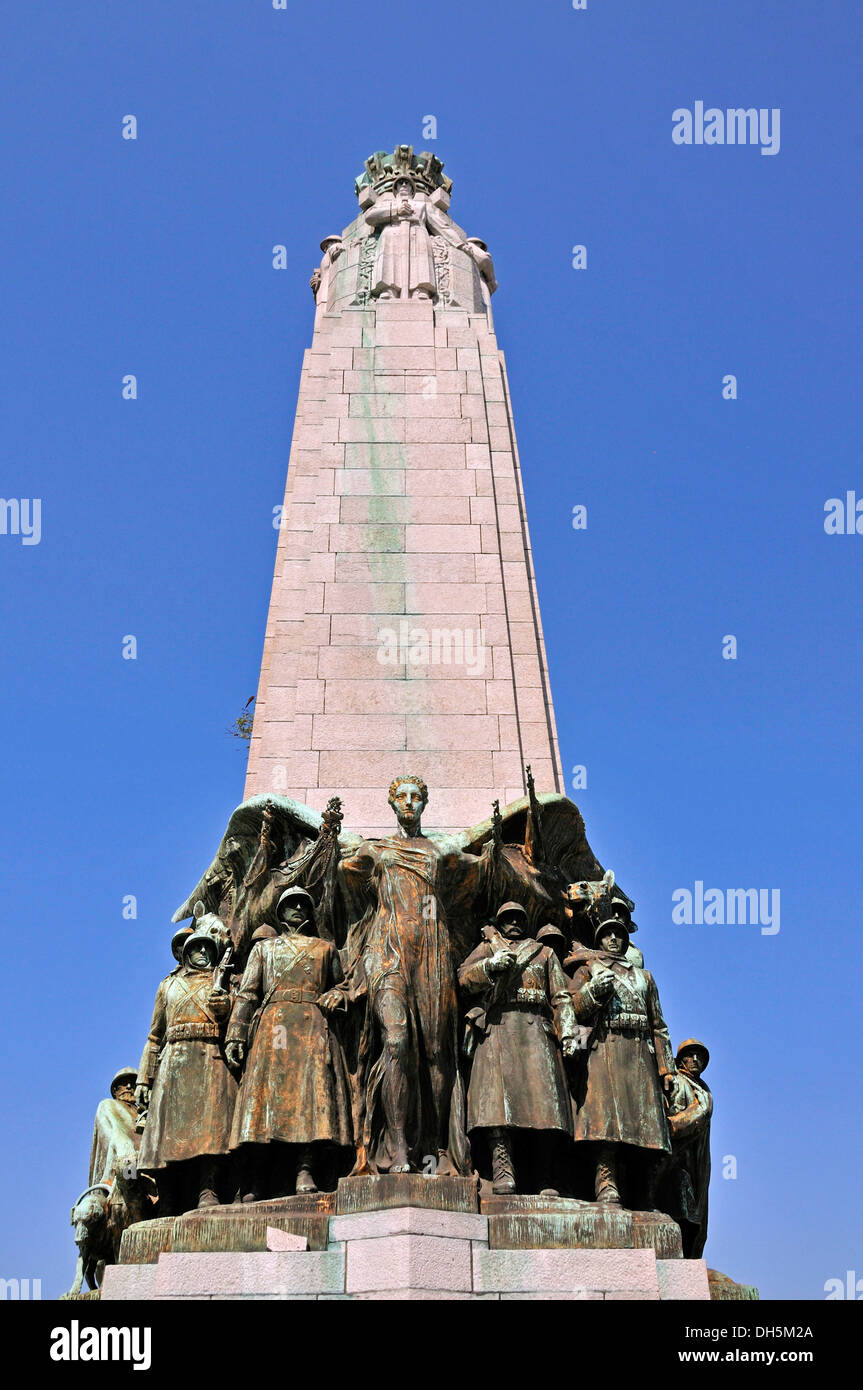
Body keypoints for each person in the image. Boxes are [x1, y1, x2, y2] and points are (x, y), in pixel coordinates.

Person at [317, 776, 500, 1175]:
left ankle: (435, 1149)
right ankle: (397, 1148)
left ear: (426, 804)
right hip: (387, 952)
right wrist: (326, 839)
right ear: (391, 802)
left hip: (433, 952)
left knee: (436, 1054)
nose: (410, 803)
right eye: (403, 796)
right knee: (396, 1041)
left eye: (417, 797)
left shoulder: (439, 852)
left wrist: (496, 848)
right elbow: (334, 889)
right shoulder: (374, 850)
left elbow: (479, 877)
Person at [225, 887, 353, 1201]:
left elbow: (343, 985)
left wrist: (339, 995)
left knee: (308, 1100)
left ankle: (304, 1168)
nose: (297, 908)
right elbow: (248, 995)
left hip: (311, 1026)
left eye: (302, 904)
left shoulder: (325, 949)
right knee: (268, 1102)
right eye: (290, 904)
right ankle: (259, 1176)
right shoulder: (264, 950)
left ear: (310, 912)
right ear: (280, 913)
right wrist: (235, 1034)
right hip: (273, 1026)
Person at [459, 903, 577, 1195]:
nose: (513, 923)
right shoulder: (488, 947)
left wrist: (568, 1033)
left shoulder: (544, 953)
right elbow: (462, 978)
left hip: (536, 1030)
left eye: (518, 918)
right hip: (499, 1028)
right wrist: (489, 966)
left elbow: (560, 996)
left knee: (545, 1110)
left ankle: (546, 1177)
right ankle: (503, 1171)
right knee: (497, 1108)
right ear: (499, 923)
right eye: (507, 919)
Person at [568, 898, 675, 1209]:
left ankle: (644, 1193)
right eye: (607, 934)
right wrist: (591, 992)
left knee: (647, 1131)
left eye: (618, 934)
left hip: (640, 1054)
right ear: (599, 939)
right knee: (607, 1126)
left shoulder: (645, 978)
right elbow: (574, 1009)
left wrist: (666, 1068)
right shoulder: (590, 968)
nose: (613, 939)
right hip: (606, 1049)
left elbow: (659, 1025)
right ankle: (606, 1184)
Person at [135, 931, 237, 1213]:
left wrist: (226, 1007)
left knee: (212, 1131)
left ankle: (209, 1189)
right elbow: (155, 1036)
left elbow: (240, 1021)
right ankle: (168, 1196)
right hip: (173, 1063)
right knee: (166, 1136)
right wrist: (144, 1078)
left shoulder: (223, 982)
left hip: (210, 1057)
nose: (203, 952)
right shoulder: (167, 986)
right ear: (186, 953)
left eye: (207, 947)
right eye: (197, 947)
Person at [666, 1039, 713, 1256]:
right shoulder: (676, 1081)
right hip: (679, 1157)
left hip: (699, 1158)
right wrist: (673, 1126)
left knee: (698, 1214)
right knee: (683, 1212)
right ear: (681, 1059)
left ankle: (690, 1258)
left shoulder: (703, 1089)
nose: (695, 1060)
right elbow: (678, 1118)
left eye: (699, 1056)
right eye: (690, 1055)